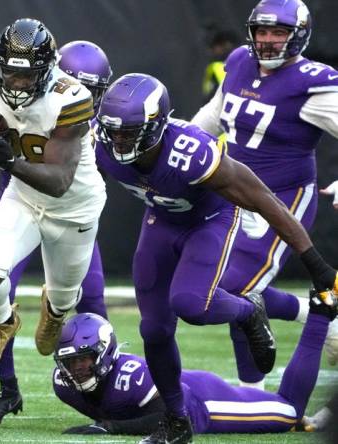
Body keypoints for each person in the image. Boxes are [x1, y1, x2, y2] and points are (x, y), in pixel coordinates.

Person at [93, 72, 338, 444]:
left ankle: (247, 309)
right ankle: (176, 421)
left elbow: (262, 199)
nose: (119, 140)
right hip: (161, 219)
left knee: (190, 303)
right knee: (154, 330)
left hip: (210, 218)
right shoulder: (97, 140)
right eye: (114, 131)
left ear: (156, 125)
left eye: (130, 131)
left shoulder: (192, 153)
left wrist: (314, 261)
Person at [0, 40, 113, 425]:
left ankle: (95, 377)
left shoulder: (72, 103)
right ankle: (7, 383)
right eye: (11, 72)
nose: (16, 82)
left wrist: (9, 161)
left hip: (74, 207)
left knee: (87, 298)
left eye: (96, 89)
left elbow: (64, 180)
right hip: (23, 197)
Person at [191, 0, 338, 388]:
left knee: (238, 288)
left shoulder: (313, 81)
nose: (268, 41)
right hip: (232, 192)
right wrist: (183, 149)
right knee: (211, 283)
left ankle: (250, 393)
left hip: (283, 197)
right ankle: (322, 315)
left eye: (279, 33)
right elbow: (212, 115)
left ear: (299, 36)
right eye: (262, 31)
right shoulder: (238, 60)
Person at [51, 287, 336, 437]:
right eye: (71, 361)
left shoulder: (132, 377)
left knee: (289, 412)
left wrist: (110, 427)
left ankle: (322, 309)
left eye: (84, 359)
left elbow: (179, 417)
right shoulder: (64, 385)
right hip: (185, 389)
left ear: (104, 352)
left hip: (203, 404)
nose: (77, 368)